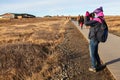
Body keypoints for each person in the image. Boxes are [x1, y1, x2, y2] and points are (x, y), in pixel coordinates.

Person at [84, 7, 106, 72]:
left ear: (97, 13)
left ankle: (94, 67)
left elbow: (86, 23)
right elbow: (94, 25)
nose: (94, 14)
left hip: (94, 38)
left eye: (95, 13)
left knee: (92, 53)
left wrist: (86, 16)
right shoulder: (101, 19)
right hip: (97, 38)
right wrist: (91, 18)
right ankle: (99, 64)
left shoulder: (97, 19)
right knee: (95, 52)